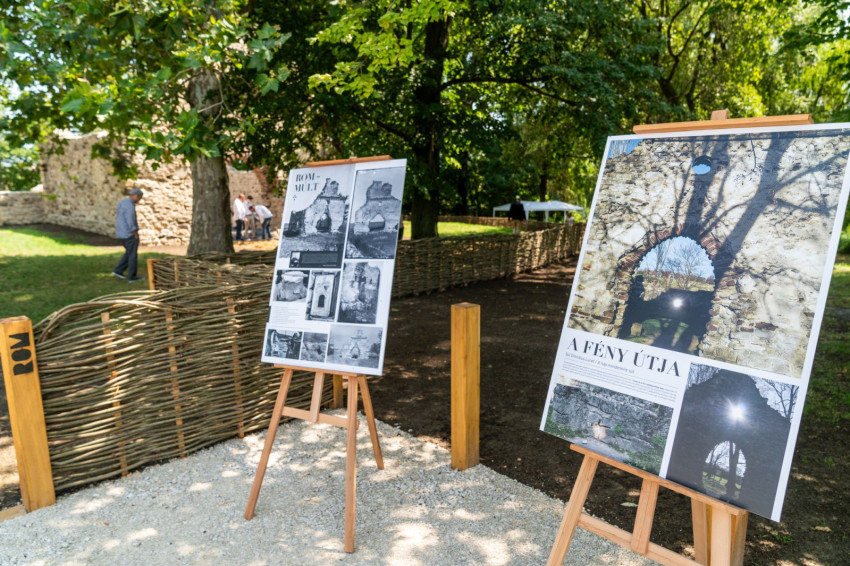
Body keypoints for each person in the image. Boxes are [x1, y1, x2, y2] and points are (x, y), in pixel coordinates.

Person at [111, 187, 144, 283]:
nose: (139, 200)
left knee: (129, 252)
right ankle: (132, 277)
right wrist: (134, 232)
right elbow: (130, 219)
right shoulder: (130, 206)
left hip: (121, 232)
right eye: (139, 198)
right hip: (128, 233)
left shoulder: (122, 202)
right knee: (132, 255)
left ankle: (118, 270)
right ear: (136, 196)